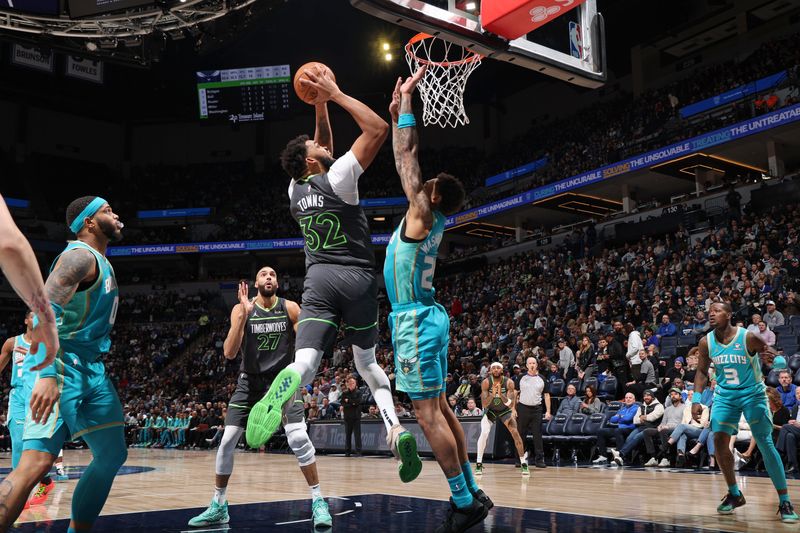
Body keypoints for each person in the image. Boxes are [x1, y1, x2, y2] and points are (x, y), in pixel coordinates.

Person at [245, 64, 420, 482]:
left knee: (305, 362)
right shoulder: (339, 177)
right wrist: (336, 92)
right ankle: (395, 430)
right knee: (367, 364)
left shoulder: (295, 189)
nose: (326, 147)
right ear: (312, 160)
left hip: (319, 280)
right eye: (318, 149)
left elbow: (320, 144)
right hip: (358, 278)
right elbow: (378, 128)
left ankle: (287, 383)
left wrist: (319, 104)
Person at [383, 67, 490, 533]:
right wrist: (394, 117)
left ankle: (463, 501)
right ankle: (470, 489)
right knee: (443, 408)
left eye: (426, 186)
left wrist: (408, 100)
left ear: (436, 194)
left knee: (427, 415)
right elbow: (402, 157)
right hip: (426, 317)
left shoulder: (423, 212)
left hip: (414, 321)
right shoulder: (431, 218)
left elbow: (408, 155)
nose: (418, 187)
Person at [0, 196, 127, 531]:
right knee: (36, 463)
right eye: (108, 211)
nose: (116, 215)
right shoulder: (79, 257)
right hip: (60, 365)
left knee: (112, 454)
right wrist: (45, 374)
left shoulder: (98, 260)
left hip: (92, 369)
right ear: (88, 222)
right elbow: (39, 314)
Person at [188, 267, 332, 528]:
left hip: (282, 383)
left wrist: (299, 375)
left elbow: (305, 347)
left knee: (298, 437)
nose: (269, 277)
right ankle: (219, 504)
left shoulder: (290, 308)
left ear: (277, 283)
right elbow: (230, 353)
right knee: (228, 440)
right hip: (250, 382)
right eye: (264, 274)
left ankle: (319, 501)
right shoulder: (241, 309)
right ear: (255, 283)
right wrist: (242, 316)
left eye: (273, 275)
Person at [692, 302, 798, 521]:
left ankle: (785, 500)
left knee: (765, 443)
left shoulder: (747, 337)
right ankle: (734, 493)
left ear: (729, 315)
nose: (712, 313)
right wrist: (696, 399)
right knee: (719, 440)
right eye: (710, 311)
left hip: (753, 394)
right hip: (725, 395)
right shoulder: (706, 342)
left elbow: (773, 354)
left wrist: (775, 360)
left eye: (718, 310)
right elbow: (702, 371)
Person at [0, 312, 69, 508]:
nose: (36, 319)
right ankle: (17, 495)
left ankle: (45, 481)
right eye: (32, 316)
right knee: (19, 443)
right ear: (26, 320)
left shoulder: (51, 344)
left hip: (42, 396)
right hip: (20, 396)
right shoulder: (12, 343)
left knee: (37, 450)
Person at [476, 363, 529, 477]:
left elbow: (510, 404)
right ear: (490, 370)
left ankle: (523, 463)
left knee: (515, 432)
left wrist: (500, 394)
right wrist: (492, 395)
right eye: (493, 368)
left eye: (498, 368)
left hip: (504, 410)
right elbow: (485, 404)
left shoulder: (509, 382)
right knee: (484, 433)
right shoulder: (486, 382)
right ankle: (479, 463)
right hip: (490, 410)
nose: (496, 369)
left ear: (502, 370)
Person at [612, 389, 664, 466]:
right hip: (641, 427)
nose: (646, 397)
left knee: (637, 437)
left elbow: (653, 417)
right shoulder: (641, 407)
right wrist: (643, 418)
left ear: (652, 397)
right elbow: (635, 420)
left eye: (648, 395)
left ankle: (621, 454)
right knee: (629, 438)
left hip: (653, 428)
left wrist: (643, 417)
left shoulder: (659, 406)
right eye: (645, 396)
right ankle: (623, 458)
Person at [516, 357, 551, 469]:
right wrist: (512, 409)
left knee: (537, 435)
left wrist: (548, 411)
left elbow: (546, 395)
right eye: (530, 363)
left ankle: (539, 460)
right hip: (522, 408)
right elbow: (515, 393)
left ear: (537, 365)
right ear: (526, 365)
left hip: (537, 409)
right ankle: (519, 459)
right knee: (521, 435)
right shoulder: (521, 377)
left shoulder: (542, 378)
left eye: (534, 363)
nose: (532, 365)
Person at [593, 392, 638, 464]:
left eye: (630, 398)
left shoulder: (636, 408)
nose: (628, 399)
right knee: (600, 431)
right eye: (626, 398)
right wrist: (621, 417)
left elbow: (628, 418)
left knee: (618, 431)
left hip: (630, 429)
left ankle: (620, 457)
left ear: (634, 400)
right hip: (619, 428)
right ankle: (603, 456)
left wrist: (619, 417)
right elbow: (612, 419)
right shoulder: (622, 409)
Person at [341, 377, 362, 457]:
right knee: (347, 435)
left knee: (357, 435)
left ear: (355, 384)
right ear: (347, 384)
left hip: (356, 417)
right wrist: (351, 403)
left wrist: (349, 401)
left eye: (352, 383)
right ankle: (347, 452)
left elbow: (358, 402)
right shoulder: (345, 393)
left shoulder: (359, 392)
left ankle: (358, 452)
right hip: (347, 417)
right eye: (349, 383)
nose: (351, 384)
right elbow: (343, 403)